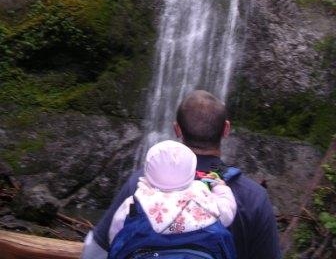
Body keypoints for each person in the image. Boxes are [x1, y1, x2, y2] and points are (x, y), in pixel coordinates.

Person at [81, 90, 282, 259]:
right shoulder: (254, 198)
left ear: (177, 129)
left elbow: (94, 252)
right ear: (226, 129)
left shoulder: (142, 184)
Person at [108, 139, 237, 245]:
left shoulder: (135, 202)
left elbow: (115, 236)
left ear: (147, 171)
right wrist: (220, 187)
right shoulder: (202, 193)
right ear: (192, 170)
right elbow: (227, 212)